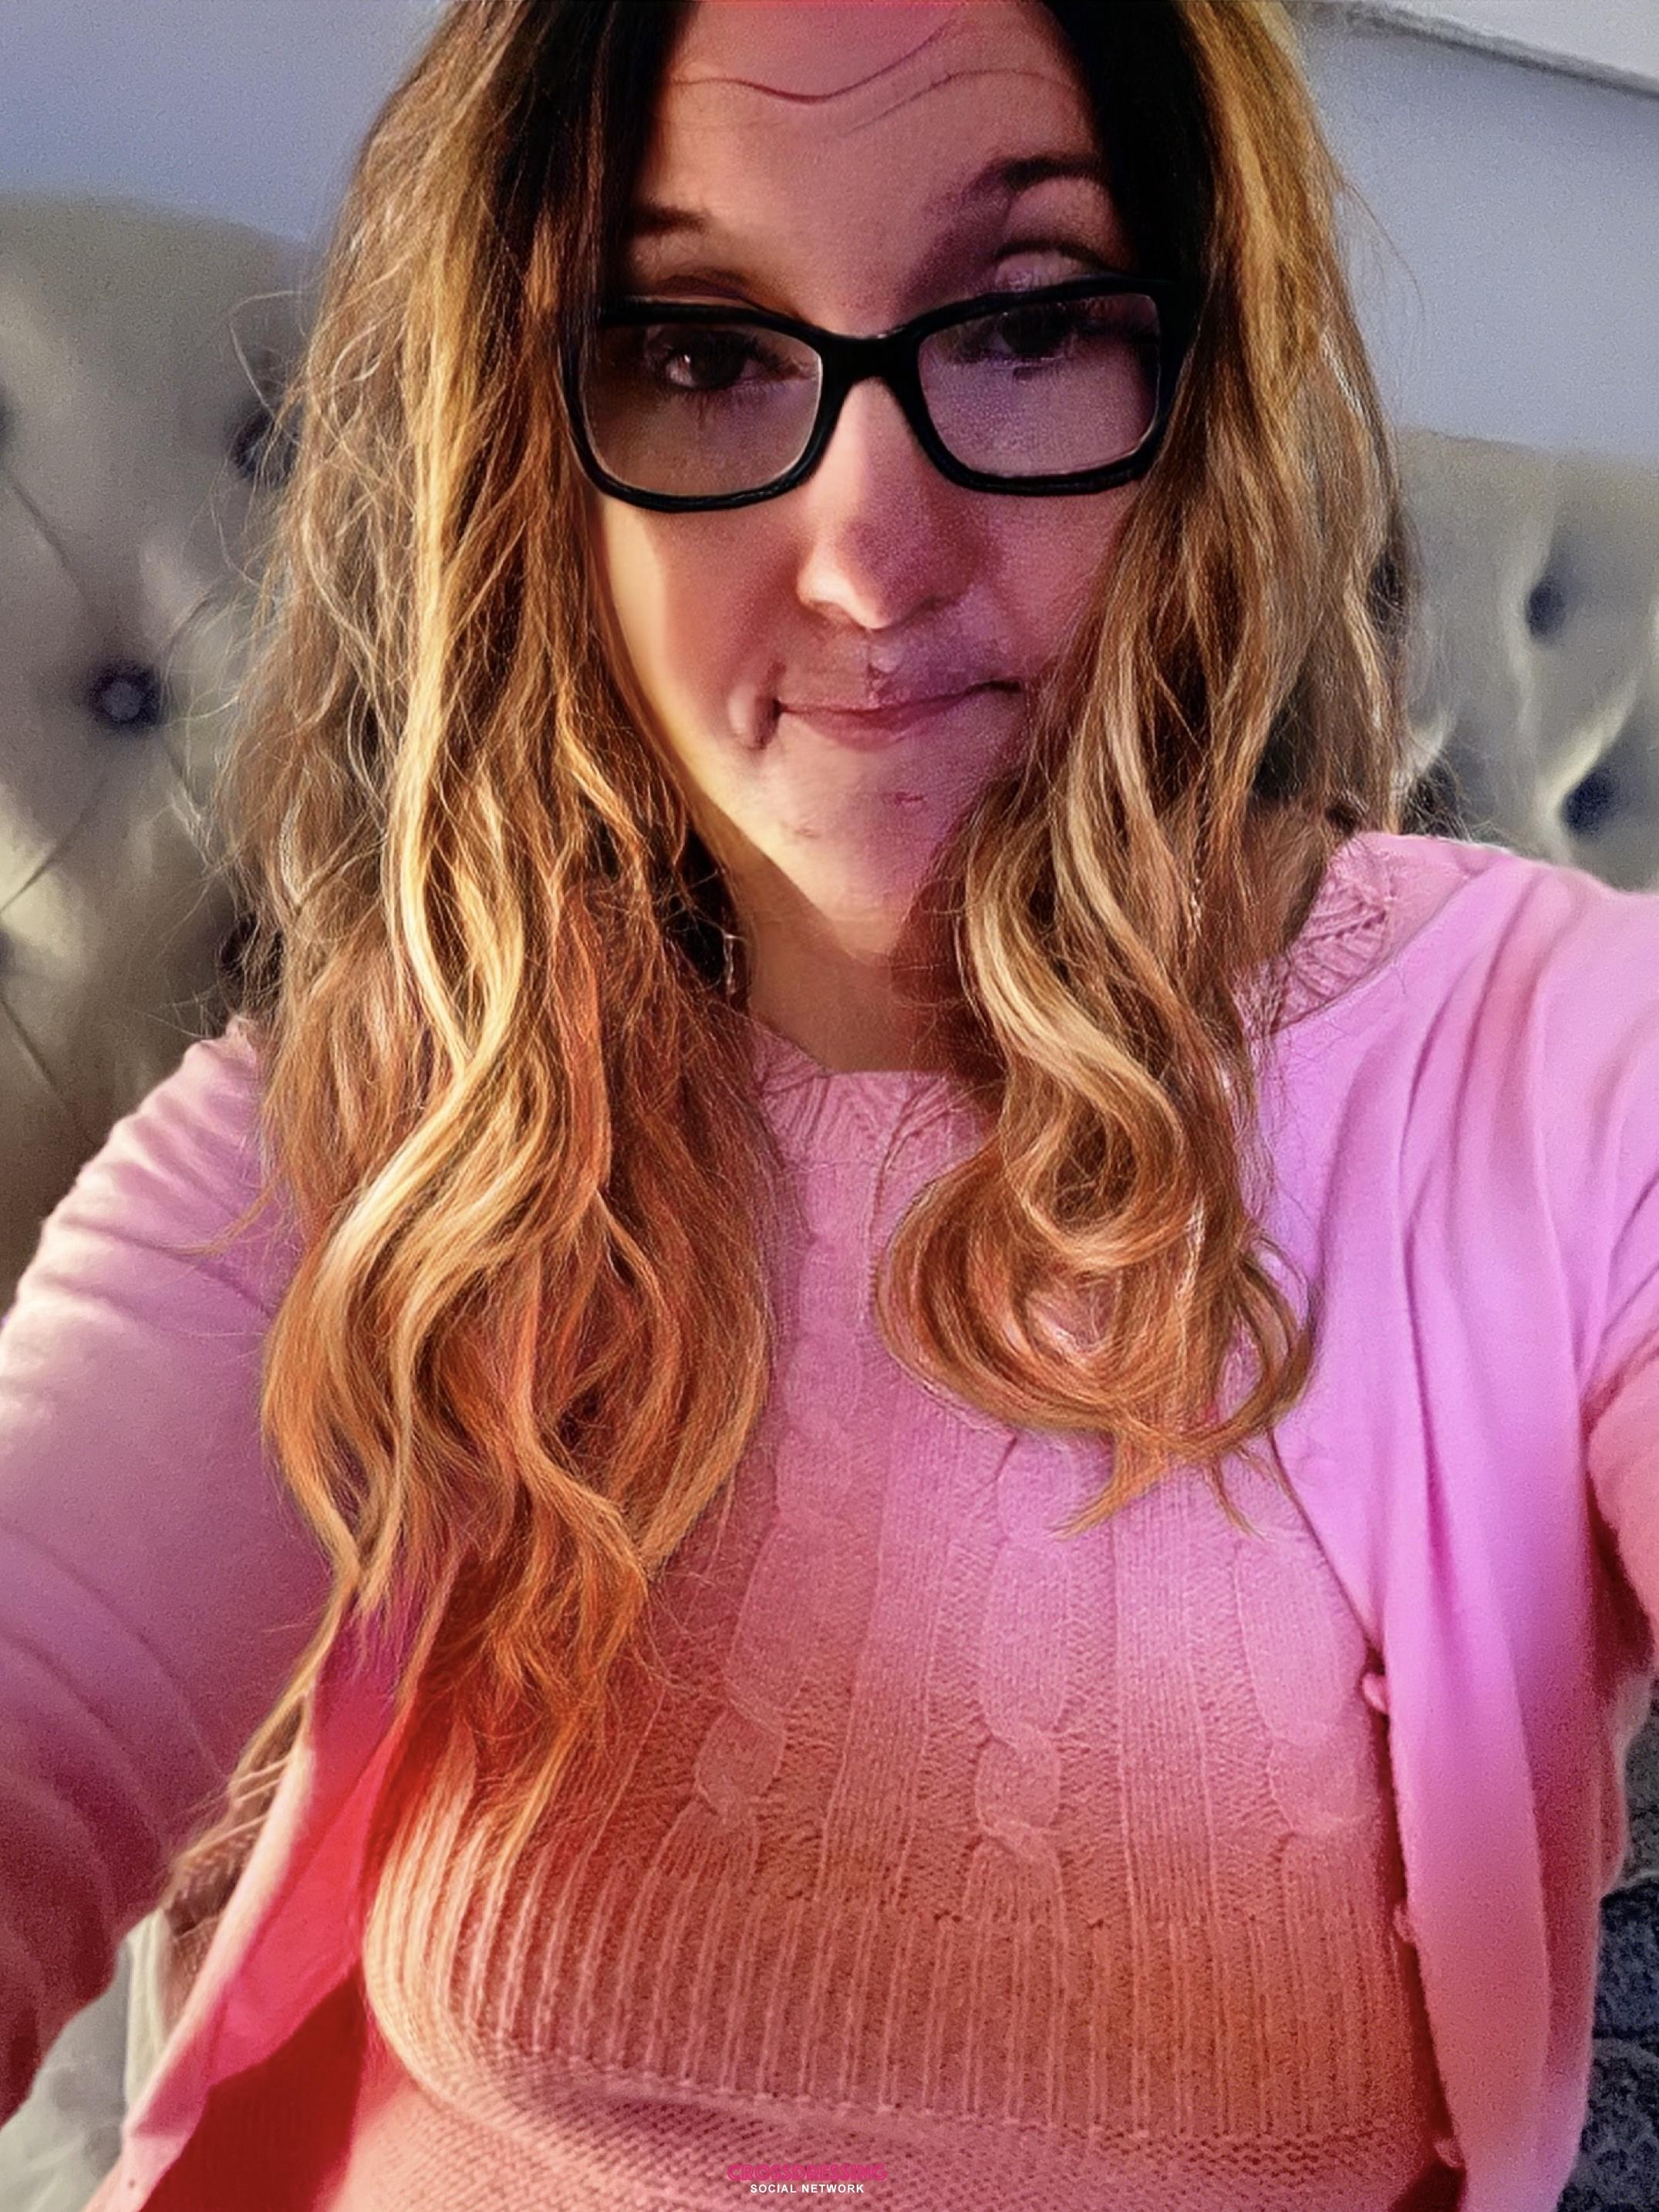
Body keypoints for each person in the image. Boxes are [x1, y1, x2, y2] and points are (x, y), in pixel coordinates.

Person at [2, 3, 1657, 2208]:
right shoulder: (387, 1120)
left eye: (1028, 323)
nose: (871, 560)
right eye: (699, 352)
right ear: (539, 458)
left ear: (1201, 391)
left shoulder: (1553, 1065)